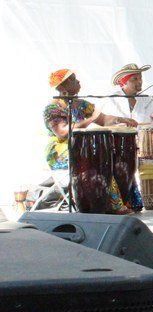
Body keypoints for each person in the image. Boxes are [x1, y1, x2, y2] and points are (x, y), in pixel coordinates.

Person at [40, 69, 137, 212]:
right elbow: (62, 132)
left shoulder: (81, 104)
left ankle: (123, 200)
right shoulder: (52, 109)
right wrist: (89, 120)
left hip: (83, 149)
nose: (78, 81)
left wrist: (120, 119)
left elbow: (103, 119)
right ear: (61, 87)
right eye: (72, 79)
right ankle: (105, 205)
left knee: (113, 156)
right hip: (60, 151)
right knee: (98, 157)